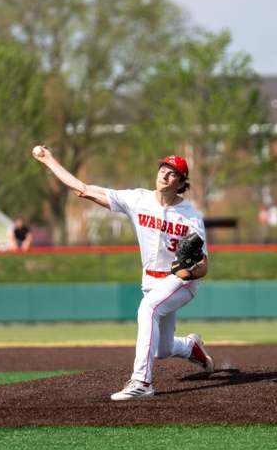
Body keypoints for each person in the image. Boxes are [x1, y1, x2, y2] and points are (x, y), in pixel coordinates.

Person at [32, 146, 214, 401]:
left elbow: (204, 266)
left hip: (181, 281)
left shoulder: (191, 216)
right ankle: (191, 347)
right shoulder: (138, 200)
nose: (164, 174)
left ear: (182, 183)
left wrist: (189, 271)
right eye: (163, 169)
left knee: (148, 309)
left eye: (173, 173)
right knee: (162, 349)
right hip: (151, 279)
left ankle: (142, 381)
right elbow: (82, 190)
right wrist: (49, 160)